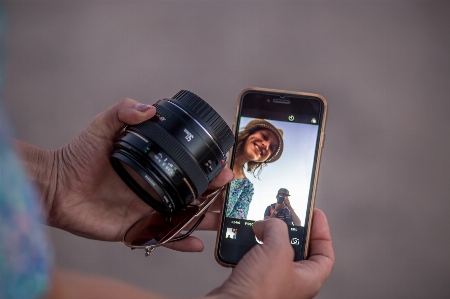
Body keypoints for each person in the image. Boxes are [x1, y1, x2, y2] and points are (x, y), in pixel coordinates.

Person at [1, 98, 334, 299]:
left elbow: (36, 288)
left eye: (272, 151)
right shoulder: (216, 167)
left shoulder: (242, 187)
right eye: (265, 137)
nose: (265, 146)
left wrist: (57, 183)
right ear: (252, 130)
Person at [225, 119, 284, 219]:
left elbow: (235, 223)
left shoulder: (246, 188)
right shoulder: (220, 145)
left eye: (271, 148)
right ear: (251, 132)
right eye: (264, 136)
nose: (266, 145)